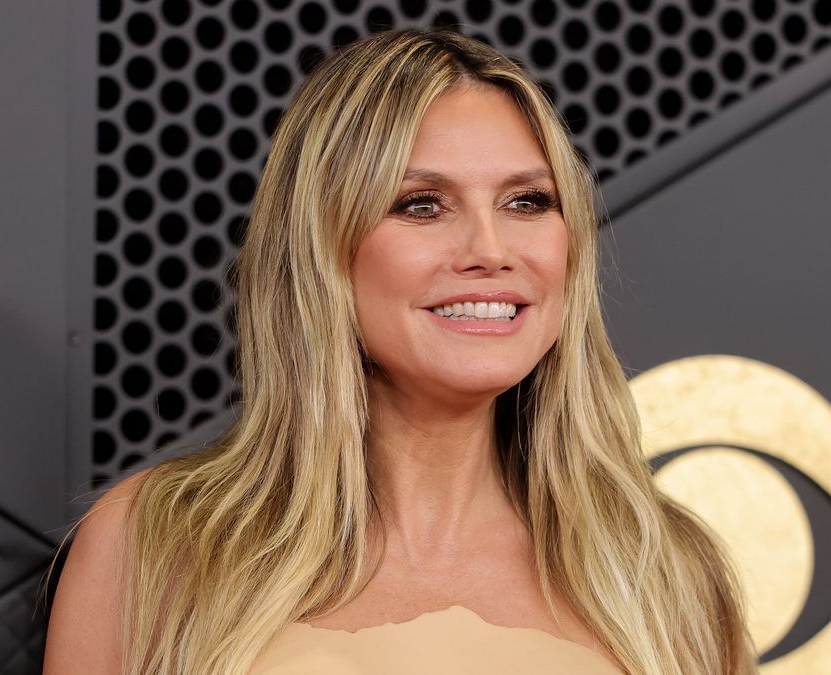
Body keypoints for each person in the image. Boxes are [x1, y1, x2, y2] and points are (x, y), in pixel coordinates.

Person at [43, 28, 757, 675]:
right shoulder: (156, 545)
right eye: (422, 205)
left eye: (528, 202)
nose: (490, 250)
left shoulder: (667, 571)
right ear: (322, 250)